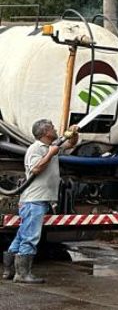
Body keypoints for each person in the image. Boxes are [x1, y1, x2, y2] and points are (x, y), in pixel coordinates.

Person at [2, 120, 78, 284]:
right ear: (45, 133)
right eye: (52, 128)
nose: (56, 129)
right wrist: (50, 154)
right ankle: (22, 274)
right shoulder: (36, 149)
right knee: (30, 237)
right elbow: (35, 169)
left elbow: (71, 144)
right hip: (33, 200)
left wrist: (74, 133)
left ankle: (8, 270)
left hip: (39, 200)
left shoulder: (51, 146)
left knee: (22, 235)